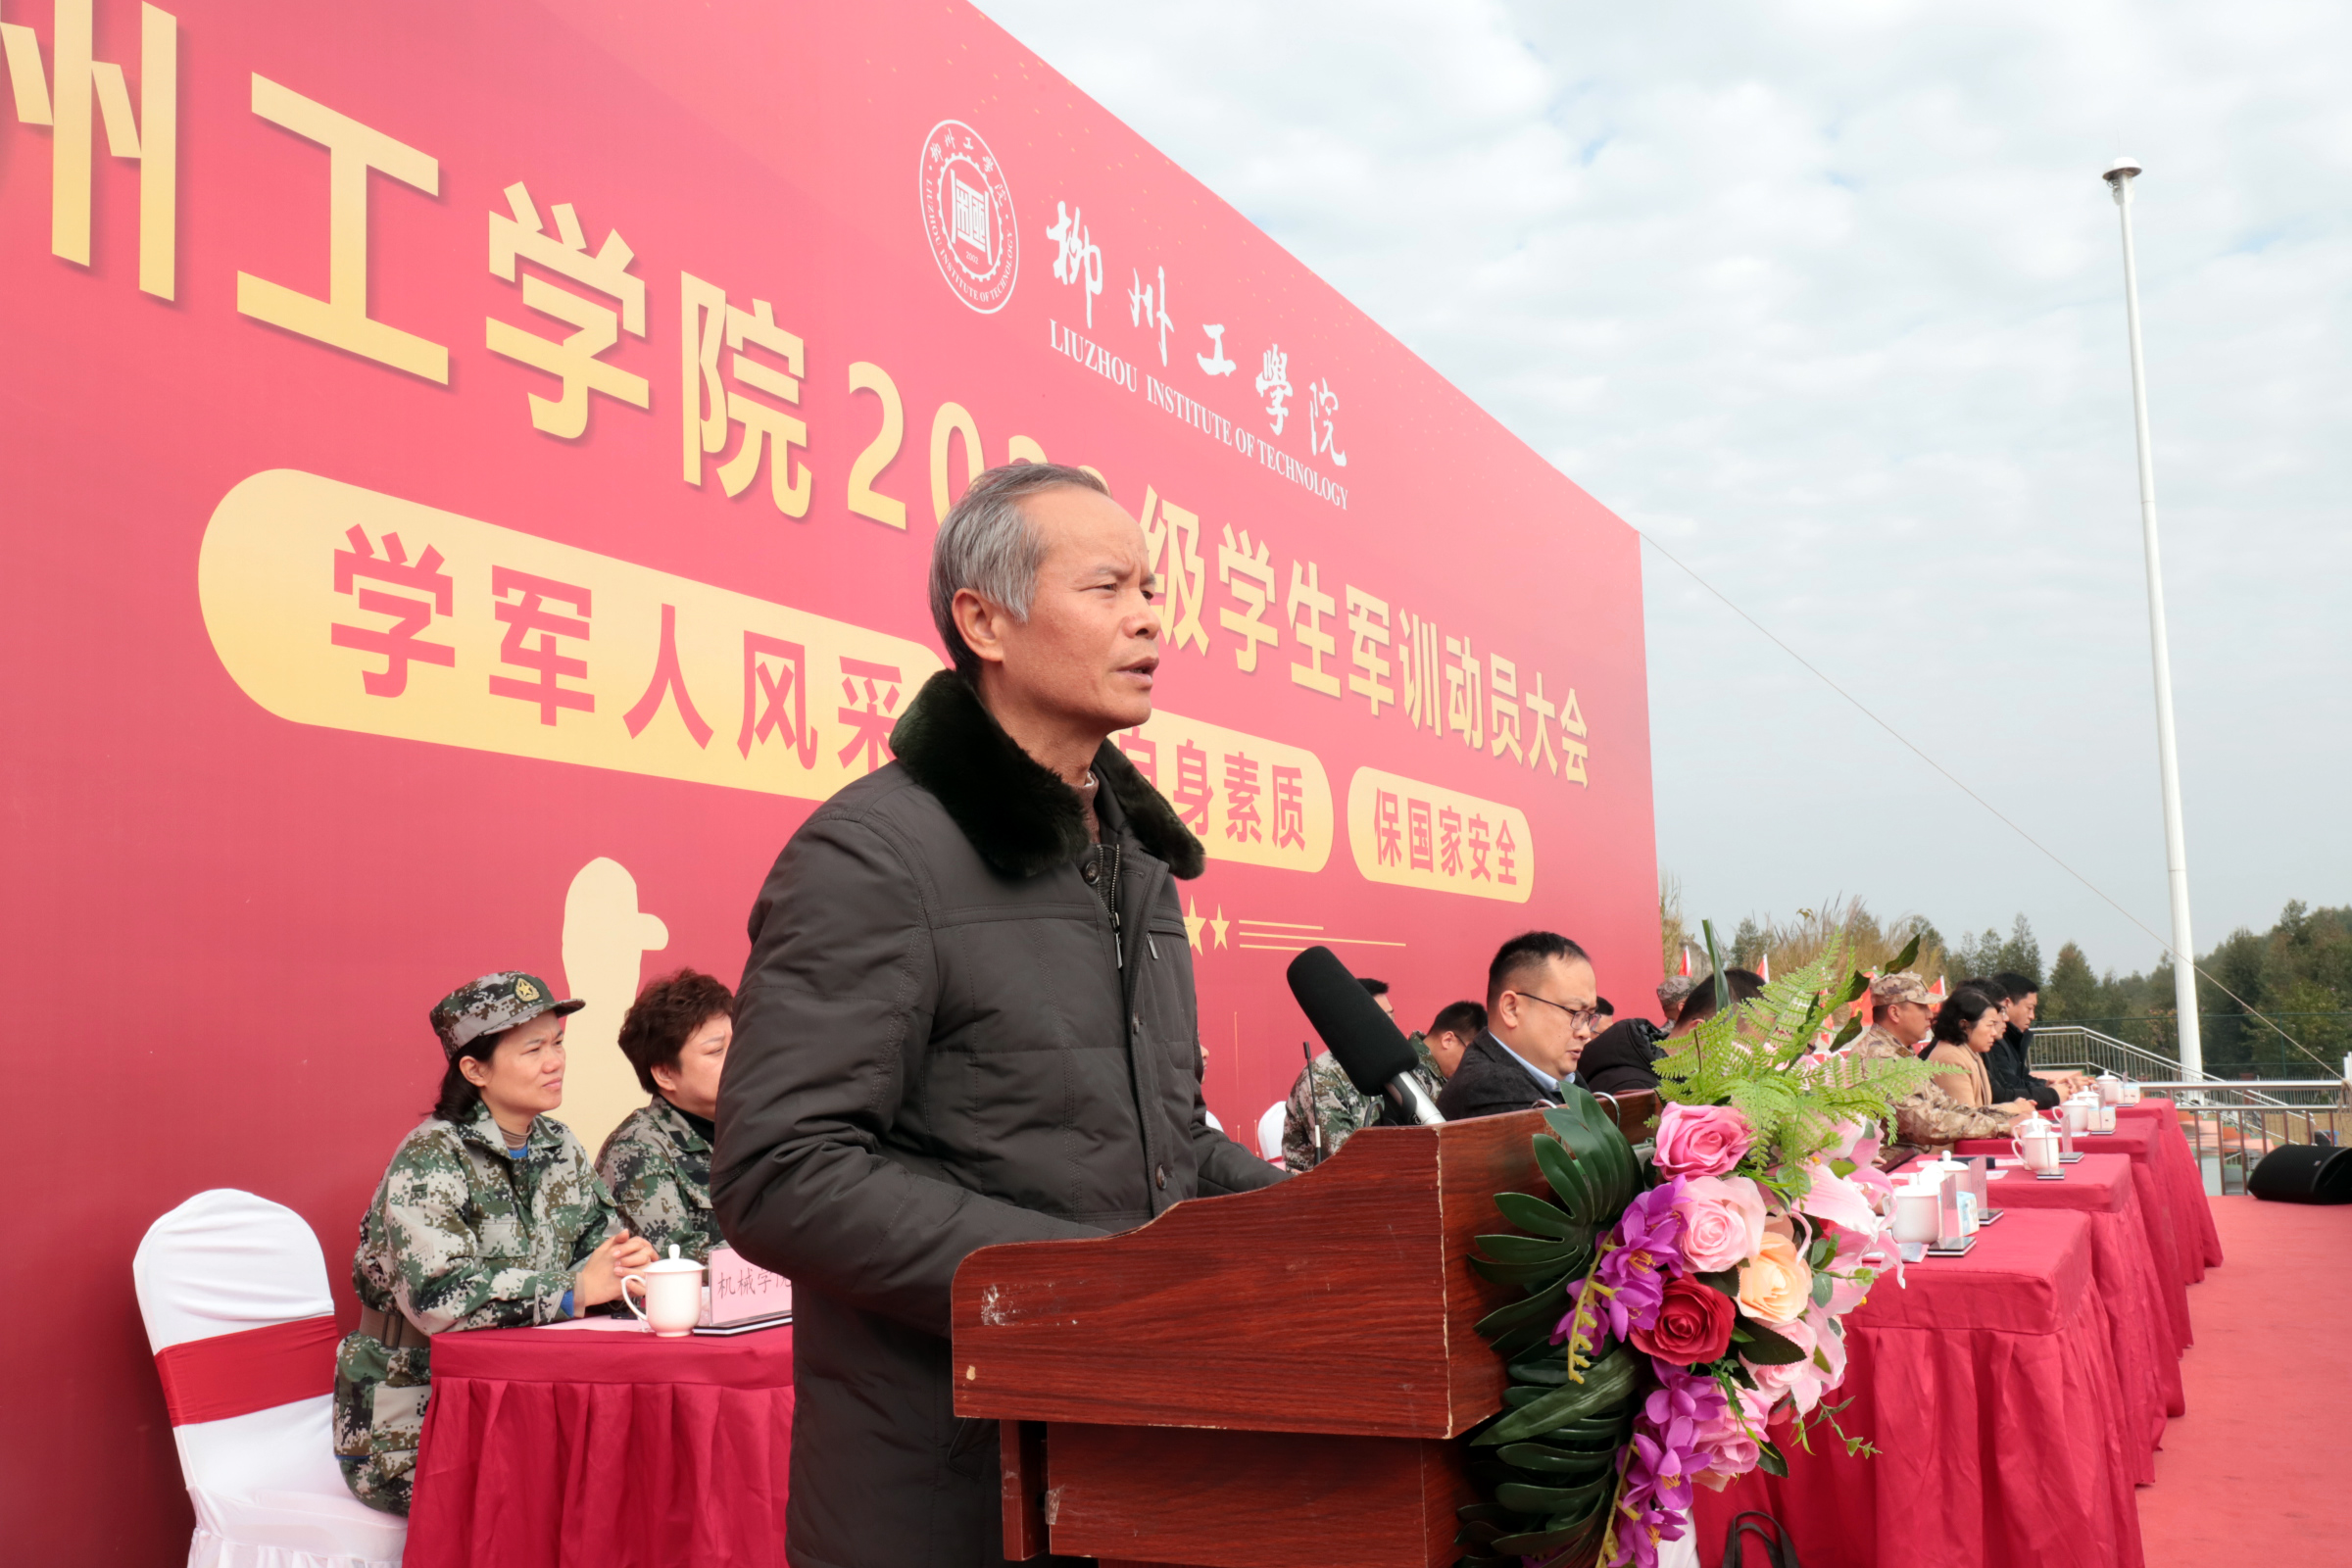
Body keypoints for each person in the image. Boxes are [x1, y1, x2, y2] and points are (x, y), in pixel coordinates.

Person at [711, 463, 1284, 1568]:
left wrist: (1329, 1224)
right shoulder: (875, 855)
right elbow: (780, 1172)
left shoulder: (1136, 864)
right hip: (947, 1483)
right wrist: (1098, 1287)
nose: (1150, 619)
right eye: (1108, 588)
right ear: (985, 622)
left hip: (1134, 1462)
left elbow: (1167, 1142)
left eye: (1152, 589)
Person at [334, 972, 654, 1515]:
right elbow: (439, 1298)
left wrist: (627, 1269)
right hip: (414, 1413)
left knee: (626, 1481)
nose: (555, 1062)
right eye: (533, 1049)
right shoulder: (432, 1156)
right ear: (475, 1070)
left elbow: (605, 1248)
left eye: (557, 1043)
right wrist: (575, 1289)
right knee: (542, 1503)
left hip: (523, 1397)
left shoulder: (558, 1144)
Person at [598, 968, 734, 1263]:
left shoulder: (753, 1129)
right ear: (665, 1073)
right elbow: (677, 1258)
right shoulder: (637, 1147)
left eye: (739, 1043)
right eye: (716, 1050)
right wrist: (785, 1250)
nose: (738, 1057)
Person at [1281, 995, 1483, 1170]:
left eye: (1391, 1017)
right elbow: (1345, 1159)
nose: (1390, 1027)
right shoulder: (1325, 1075)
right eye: (1382, 1018)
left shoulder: (1394, 1068)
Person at [1846, 972, 2026, 1161]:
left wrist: (2007, 1118)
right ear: (1895, 1013)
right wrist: (2001, 1127)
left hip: (1912, 1162)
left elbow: (1947, 1107)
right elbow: (1923, 1124)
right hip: (1892, 1168)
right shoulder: (1877, 1058)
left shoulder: (1899, 1052)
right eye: (1922, 1007)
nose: (1930, 1015)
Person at [1436, 932, 1602, 1120]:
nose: (1585, 1032)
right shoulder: (1492, 1090)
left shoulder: (1559, 1077)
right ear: (1512, 1009)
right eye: (1574, 1012)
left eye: (1589, 1016)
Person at [1993, 970, 2088, 1102]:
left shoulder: (2012, 1038)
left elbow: (2021, 1079)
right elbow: (2008, 1089)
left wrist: (2048, 1085)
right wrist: (2052, 1094)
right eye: (2029, 1008)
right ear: (2007, 1004)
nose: (2032, 1016)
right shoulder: (1994, 1042)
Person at [1924, 987, 2023, 1110]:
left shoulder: (1968, 1052)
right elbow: (1966, 1117)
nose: (1993, 1033)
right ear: (1964, 1025)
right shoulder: (1951, 1059)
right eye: (1990, 1025)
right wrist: (2015, 1108)